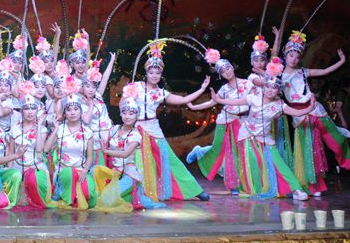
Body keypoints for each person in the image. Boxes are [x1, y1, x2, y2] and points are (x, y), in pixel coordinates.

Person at [210, 57, 314, 201]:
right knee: (253, 164)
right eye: (268, 87)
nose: (270, 90)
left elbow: (296, 113)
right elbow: (235, 101)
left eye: (274, 88)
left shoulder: (279, 105)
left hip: (265, 138)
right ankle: (256, 188)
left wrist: (310, 108)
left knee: (278, 163)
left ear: (278, 90)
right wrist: (219, 100)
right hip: (247, 135)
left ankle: (296, 189)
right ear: (264, 87)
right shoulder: (254, 97)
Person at [125, 41, 211, 202]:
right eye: (151, 72)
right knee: (138, 162)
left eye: (157, 73)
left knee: (169, 161)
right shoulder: (135, 87)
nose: (154, 75)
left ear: (161, 75)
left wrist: (202, 89)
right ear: (146, 72)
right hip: (137, 129)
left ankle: (193, 190)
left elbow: (183, 100)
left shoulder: (161, 93)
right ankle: (140, 192)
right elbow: (124, 104)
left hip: (154, 129)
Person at [280, 31, 350, 195]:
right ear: (285, 55)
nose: (294, 59)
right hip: (298, 113)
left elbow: (325, 71)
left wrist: (342, 61)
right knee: (309, 148)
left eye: (297, 57)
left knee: (328, 137)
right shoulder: (279, 75)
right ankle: (313, 184)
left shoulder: (303, 71)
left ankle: (336, 132)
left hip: (313, 108)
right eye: (291, 55)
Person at [187, 49, 254, 194]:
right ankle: (200, 151)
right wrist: (193, 107)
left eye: (228, 68)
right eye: (223, 71)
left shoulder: (248, 84)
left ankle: (236, 184)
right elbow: (212, 102)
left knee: (238, 152)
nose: (227, 72)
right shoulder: (224, 89)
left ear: (232, 68)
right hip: (225, 121)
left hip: (242, 122)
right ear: (221, 75)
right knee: (218, 149)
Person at [93, 97, 166, 210]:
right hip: (115, 172)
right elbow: (100, 130)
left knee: (106, 201)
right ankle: (130, 197)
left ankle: (135, 197)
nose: (127, 116)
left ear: (136, 116)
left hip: (129, 174)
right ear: (120, 114)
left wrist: (107, 151)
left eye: (131, 114)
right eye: (124, 113)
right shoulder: (114, 129)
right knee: (95, 170)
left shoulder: (136, 135)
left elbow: (125, 154)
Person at [44, 92, 96, 209]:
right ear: (64, 113)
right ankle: (65, 195)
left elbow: (89, 157)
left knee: (89, 194)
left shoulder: (87, 132)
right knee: (70, 173)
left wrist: (84, 171)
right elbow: (46, 149)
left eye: (76, 109)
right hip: (64, 171)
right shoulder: (61, 129)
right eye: (68, 110)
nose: (72, 113)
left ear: (81, 112)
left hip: (81, 171)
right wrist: (55, 129)